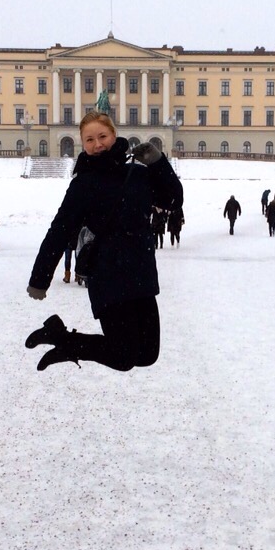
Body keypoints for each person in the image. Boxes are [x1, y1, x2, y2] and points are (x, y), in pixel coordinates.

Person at [25, 111, 182, 372]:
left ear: (114, 135)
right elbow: (60, 230)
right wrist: (40, 278)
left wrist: (158, 163)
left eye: (102, 136)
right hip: (108, 275)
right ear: (83, 144)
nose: (97, 144)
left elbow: (173, 200)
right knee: (123, 356)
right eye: (89, 140)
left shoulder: (137, 174)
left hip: (141, 273)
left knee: (147, 354)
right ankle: (64, 340)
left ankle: (60, 337)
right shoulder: (83, 184)